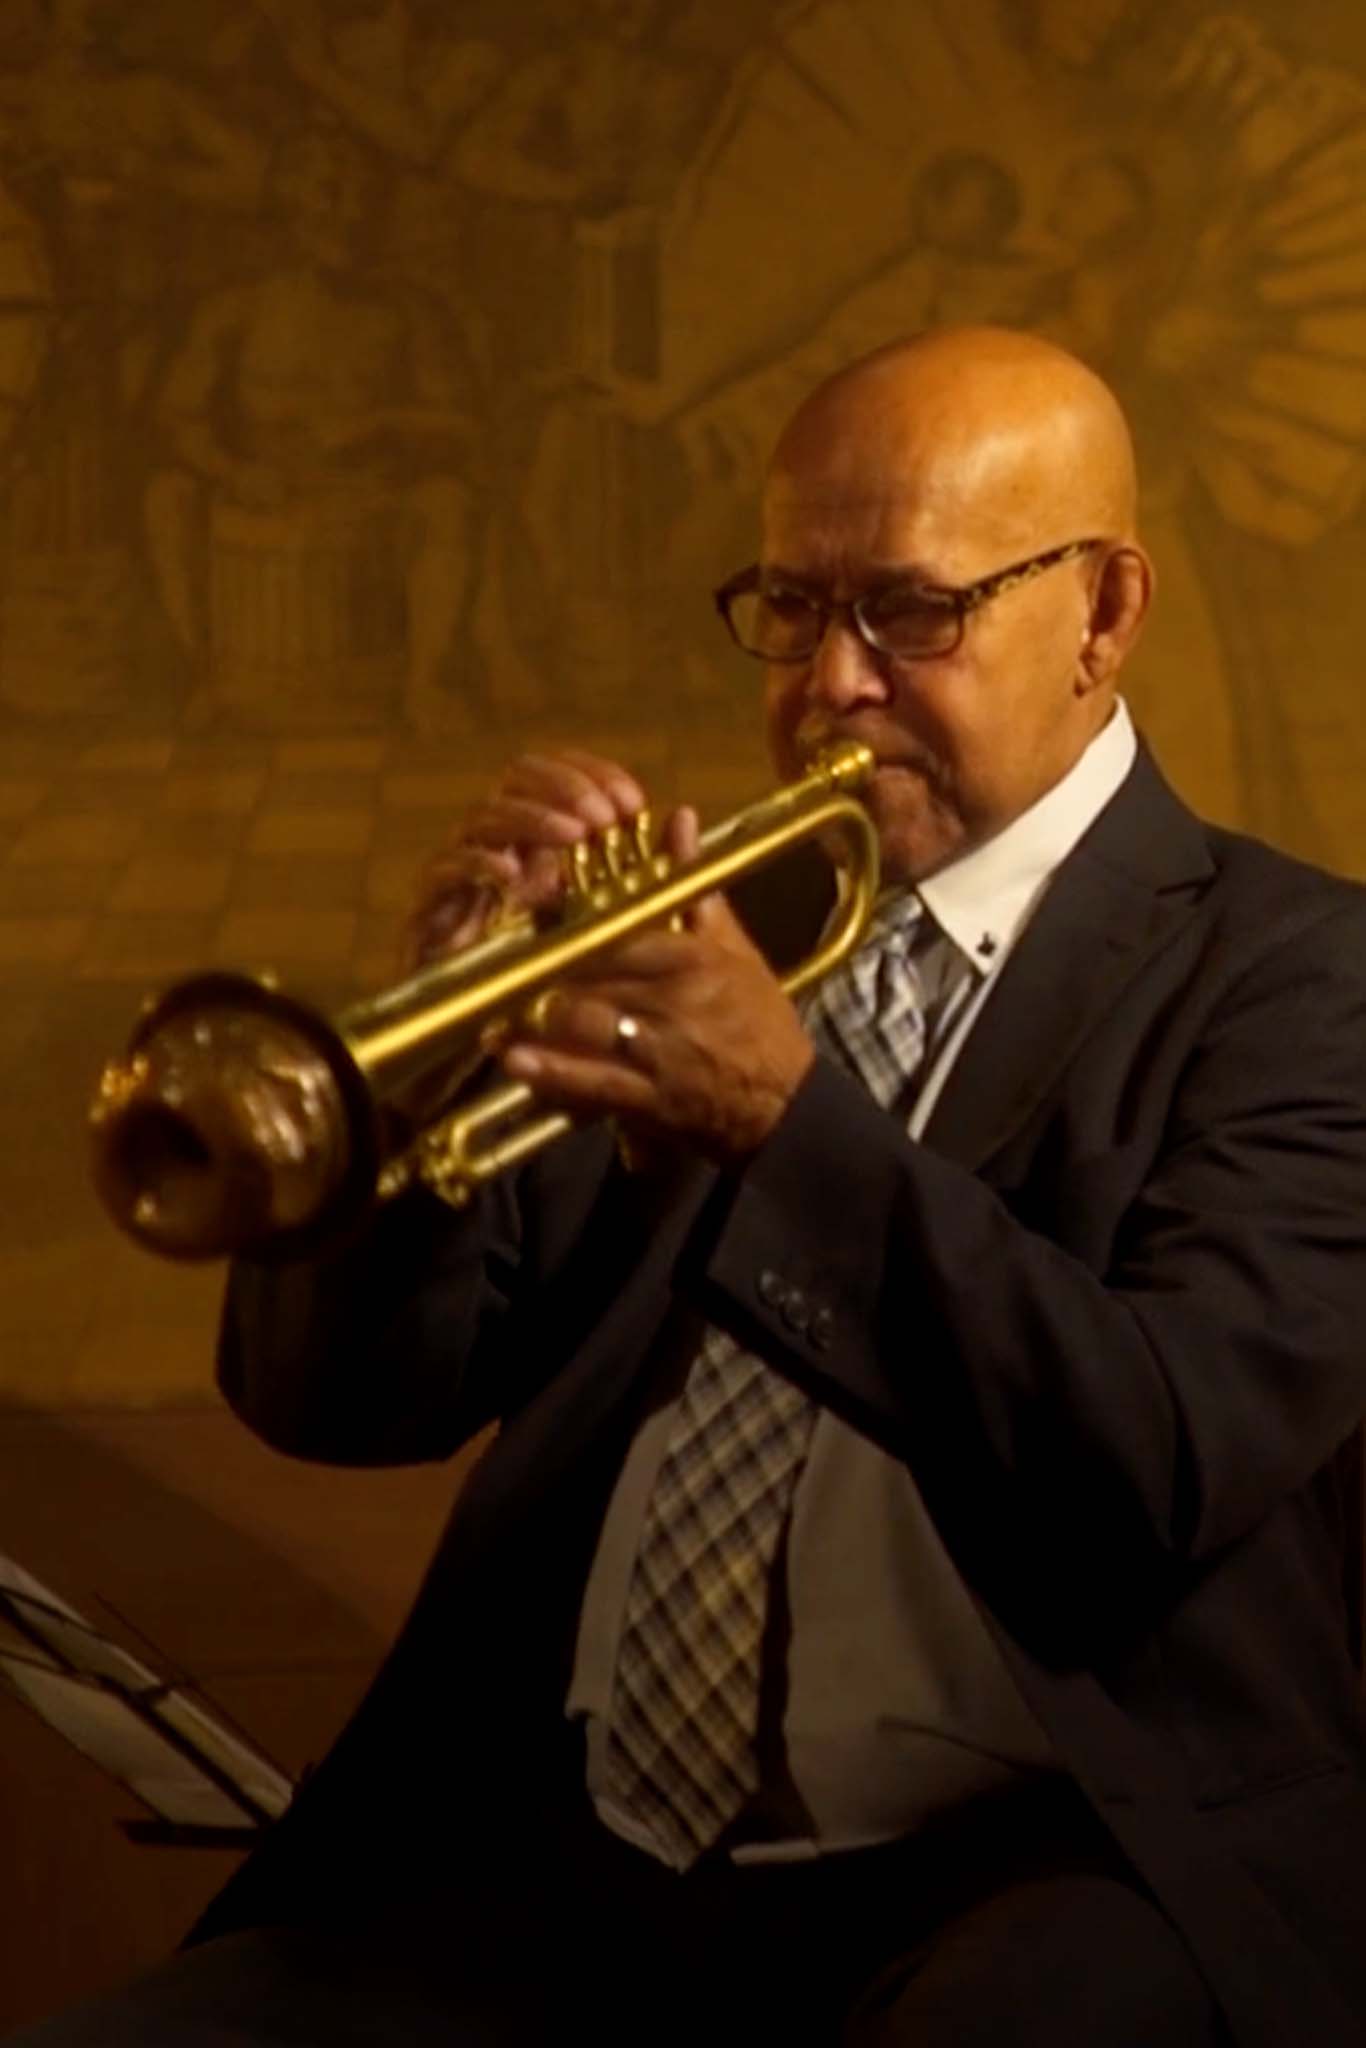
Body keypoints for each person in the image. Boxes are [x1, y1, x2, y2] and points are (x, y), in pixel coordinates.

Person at [16, 325, 1366, 2045]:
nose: (833, 684)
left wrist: (780, 1127)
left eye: (911, 612)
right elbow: (339, 1403)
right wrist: (433, 1068)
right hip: (571, 1865)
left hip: (1047, 1874)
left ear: (1103, 614)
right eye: (792, 608)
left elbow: (1154, 1459)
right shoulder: (716, 945)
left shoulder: (1296, 976)